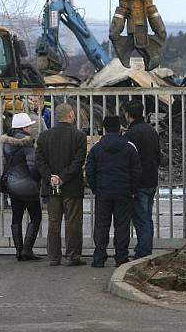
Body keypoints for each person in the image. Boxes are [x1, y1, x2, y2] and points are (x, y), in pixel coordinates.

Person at [35, 103, 87, 266]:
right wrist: (63, 177)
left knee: (53, 222)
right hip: (71, 187)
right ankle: (72, 255)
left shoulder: (44, 136)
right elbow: (78, 162)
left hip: (51, 187)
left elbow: (40, 161)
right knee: (73, 222)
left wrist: (51, 177)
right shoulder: (79, 136)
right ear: (70, 115)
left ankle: (54, 257)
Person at [87, 115, 141, 267]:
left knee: (101, 225)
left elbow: (89, 170)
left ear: (104, 128)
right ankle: (121, 257)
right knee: (122, 225)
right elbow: (137, 171)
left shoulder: (97, 148)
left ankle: (99, 257)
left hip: (103, 191)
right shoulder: (129, 147)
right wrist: (132, 189)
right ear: (119, 128)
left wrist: (95, 188)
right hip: (123, 192)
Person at [1, 113, 42, 261]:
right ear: (24, 127)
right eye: (29, 125)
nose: (30, 128)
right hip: (28, 186)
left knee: (16, 217)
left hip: (12, 184)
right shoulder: (26, 143)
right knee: (36, 217)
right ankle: (27, 250)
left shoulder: (7, 143)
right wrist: (38, 180)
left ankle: (18, 251)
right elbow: (33, 166)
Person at [123, 100, 160, 259]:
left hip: (139, 183)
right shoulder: (151, 131)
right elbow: (158, 156)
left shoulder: (131, 134)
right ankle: (145, 248)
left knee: (141, 218)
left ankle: (144, 251)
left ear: (127, 115)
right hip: (152, 180)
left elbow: (128, 161)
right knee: (146, 216)